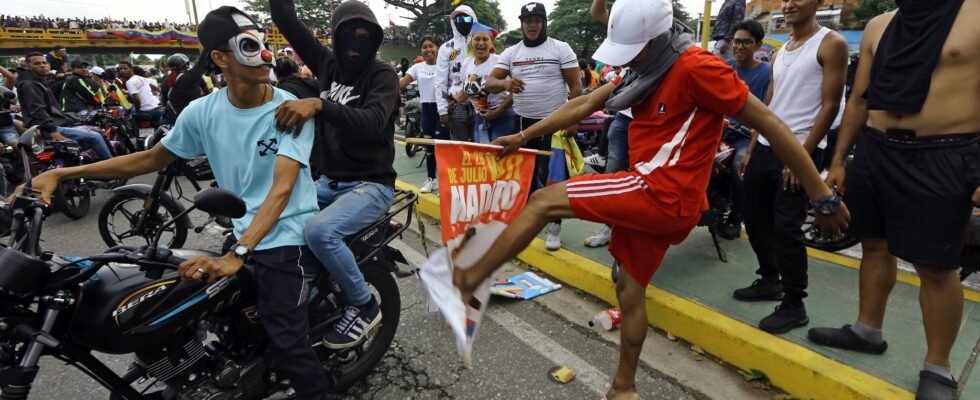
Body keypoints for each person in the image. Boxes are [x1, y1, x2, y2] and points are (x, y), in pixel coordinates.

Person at [453, 0, 848, 398]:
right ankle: (624, 387)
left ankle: (472, 277)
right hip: (657, 195)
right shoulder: (645, 65)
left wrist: (822, 196)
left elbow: (769, 122)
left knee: (543, 200)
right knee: (629, 289)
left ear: (656, 39)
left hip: (660, 192)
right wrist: (522, 137)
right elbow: (585, 103)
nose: (626, 60)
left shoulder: (698, 67)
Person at [22, 8, 331, 400]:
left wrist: (237, 253)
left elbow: (282, 190)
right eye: (251, 47)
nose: (267, 56)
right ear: (220, 58)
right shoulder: (202, 111)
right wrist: (63, 175)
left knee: (284, 333)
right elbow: (149, 160)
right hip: (246, 232)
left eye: (264, 45)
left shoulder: (289, 109)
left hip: (287, 234)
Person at [808, 1, 979, 398]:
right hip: (876, 148)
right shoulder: (880, 25)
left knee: (936, 266)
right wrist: (838, 161)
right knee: (873, 244)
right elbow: (860, 100)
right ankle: (868, 330)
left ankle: (938, 368)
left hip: (944, 152)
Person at [270, 0, 399, 350]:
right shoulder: (327, 63)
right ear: (337, 36)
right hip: (326, 182)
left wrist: (320, 104)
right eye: (349, 35)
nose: (357, 45)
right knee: (270, 218)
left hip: (371, 185)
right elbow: (286, 18)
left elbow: (373, 123)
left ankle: (364, 303)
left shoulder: (382, 75)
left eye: (365, 36)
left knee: (320, 231)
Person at [734, 0, 848, 334]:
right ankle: (770, 279)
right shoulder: (782, 49)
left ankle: (794, 304)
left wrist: (802, 157)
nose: (789, 4)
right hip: (768, 147)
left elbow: (830, 106)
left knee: (787, 229)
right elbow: (769, 105)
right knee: (754, 221)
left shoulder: (831, 43)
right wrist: (752, 148)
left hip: (801, 150)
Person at [484, 1, 582, 251]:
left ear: (543, 22)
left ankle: (554, 226)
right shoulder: (512, 52)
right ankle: (527, 220)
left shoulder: (560, 48)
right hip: (522, 122)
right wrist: (506, 85)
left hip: (554, 123)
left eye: (537, 20)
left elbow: (576, 86)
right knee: (523, 174)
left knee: (553, 177)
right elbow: (491, 81)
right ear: (522, 24)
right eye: (528, 21)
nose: (532, 25)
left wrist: (573, 119)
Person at [583, 0, 633, 249]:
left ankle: (636, 233)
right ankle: (610, 227)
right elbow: (597, 11)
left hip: (656, 125)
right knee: (613, 177)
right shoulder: (625, 73)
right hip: (625, 119)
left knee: (645, 182)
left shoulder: (668, 32)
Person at [717, 20, 771, 240]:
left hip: (746, 136)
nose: (739, 47)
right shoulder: (725, 68)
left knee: (740, 163)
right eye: (736, 42)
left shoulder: (767, 73)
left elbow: (766, 114)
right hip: (720, 130)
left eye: (746, 42)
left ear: (758, 45)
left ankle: (736, 216)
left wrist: (751, 144)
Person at [16, 52, 113, 161]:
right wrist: (52, 130)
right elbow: (37, 109)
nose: (42, 65)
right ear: (28, 66)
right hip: (47, 129)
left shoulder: (37, 81)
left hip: (50, 124)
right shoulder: (30, 83)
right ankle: (112, 168)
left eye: (44, 62)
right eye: (37, 63)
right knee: (95, 136)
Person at [399, 36, 446, 194]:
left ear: (437, 47)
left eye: (431, 46)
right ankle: (431, 179)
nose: (428, 50)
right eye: (424, 47)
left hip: (443, 110)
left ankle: (444, 183)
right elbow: (401, 83)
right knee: (429, 148)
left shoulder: (444, 65)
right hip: (426, 110)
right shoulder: (417, 68)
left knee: (442, 147)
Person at [456, 26, 514, 144]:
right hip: (480, 118)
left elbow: (515, 91)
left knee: (497, 156)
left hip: (503, 116)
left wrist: (496, 112)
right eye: (477, 39)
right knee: (482, 155)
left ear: (491, 43)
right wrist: (452, 103)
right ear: (471, 41)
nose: (481, 43)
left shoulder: (500, 61)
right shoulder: (467, 63)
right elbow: (466, 90)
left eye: (485, 39)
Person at [434, 5, 478, 142]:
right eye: (458, 20)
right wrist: (442, 111)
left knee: (482, 149)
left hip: (480, 104)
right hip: (456, 105)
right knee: (459, 150)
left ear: (473, 19)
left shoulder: (482, 42)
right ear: (453, 23)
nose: (463, 22)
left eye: (466, 18)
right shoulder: (446, 48)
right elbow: (440, 81)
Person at [161, 53, 209, 125]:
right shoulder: (191, 76)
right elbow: (207, 93)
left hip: (174, 117)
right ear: (186, 65)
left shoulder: (165, 80)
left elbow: (164, 100)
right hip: (193, 116)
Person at [118, 60, 165, 127]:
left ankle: (134, 136)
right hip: (157, 108)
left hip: (144, 110)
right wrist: (161, 93)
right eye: (120, 69)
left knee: (132, 115)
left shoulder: (129, 82)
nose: (122, 71)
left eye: (125, 68)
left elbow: (137, 99)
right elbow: (153, 87)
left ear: (131, 69)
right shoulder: (140, 78)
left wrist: (138, 112)